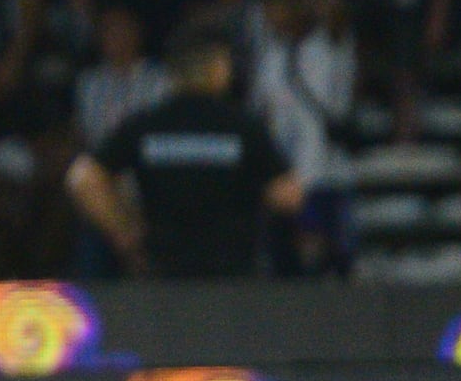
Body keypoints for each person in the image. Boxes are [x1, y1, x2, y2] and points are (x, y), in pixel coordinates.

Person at [64, 15, 301, 279]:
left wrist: (125, 234)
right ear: (217, 68)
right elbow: (288, 195)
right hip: (232, 275)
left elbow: (83, 179)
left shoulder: (147, 126)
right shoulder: (242, 127)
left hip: (164, 271)